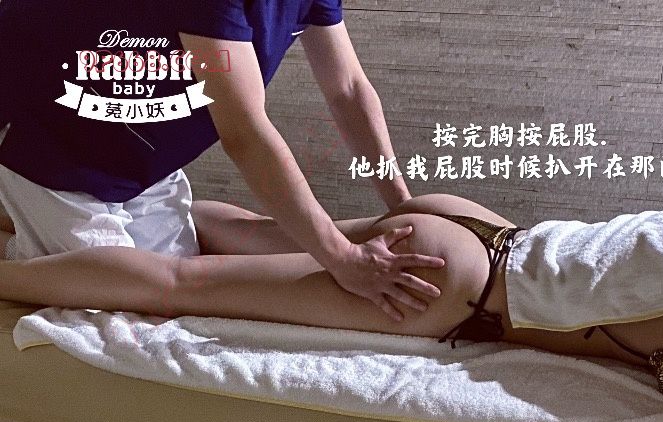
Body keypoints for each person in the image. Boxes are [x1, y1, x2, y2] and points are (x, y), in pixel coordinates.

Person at [0, 0, 445, 323]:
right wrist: (342, 258)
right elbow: (245, 134)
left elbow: (348, 90)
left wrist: (402, 204)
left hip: (143, 164)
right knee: (134, 300)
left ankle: (15, 219)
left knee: (176, 264)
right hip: (59, 158)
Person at [1, 193, 663, 398]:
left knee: (242, 231)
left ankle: (21, 217)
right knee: (182, 285)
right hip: (448, 290)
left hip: (478, 232)